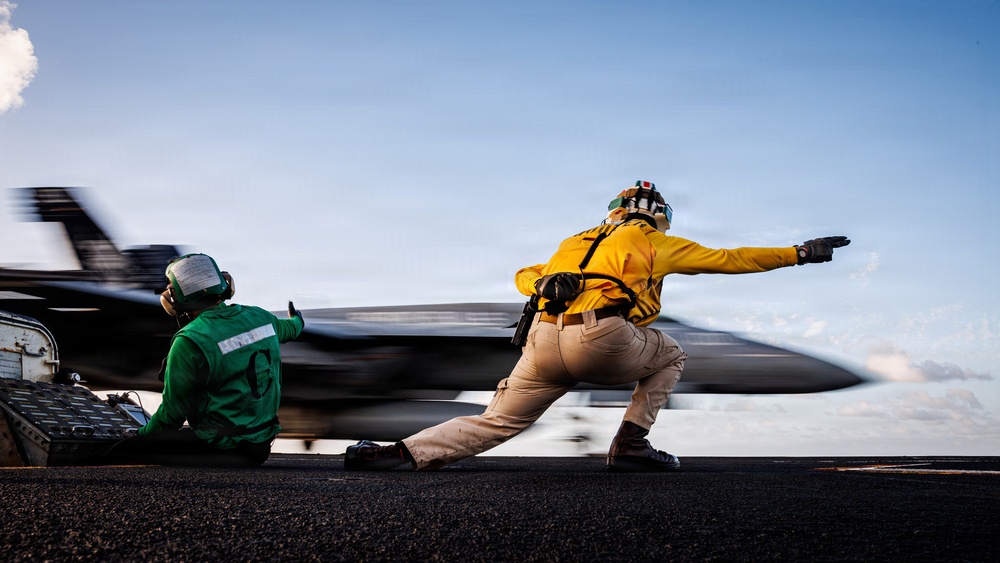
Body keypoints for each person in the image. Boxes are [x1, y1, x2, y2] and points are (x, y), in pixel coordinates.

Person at [344, 181, 850, 472]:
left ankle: (396, 454)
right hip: (603, 337)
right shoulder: (653, 240)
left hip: (543, 341)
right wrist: (799, 253)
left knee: (497, 421)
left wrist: (544, 282)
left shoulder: (574, 242)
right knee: (672, 353)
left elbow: (524, 275)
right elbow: (731, 259)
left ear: (612, 212)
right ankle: (631, 445)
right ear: (658, 215)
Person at [104, 253, 304, 467]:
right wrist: (297, 318)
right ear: (225, 283)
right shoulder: (261, 317)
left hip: (222, 448)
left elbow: (171, 417)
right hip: (260, 446)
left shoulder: (190, 340)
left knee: (120, 451)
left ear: (173, 298)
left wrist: (139, 436)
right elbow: (293, 328)